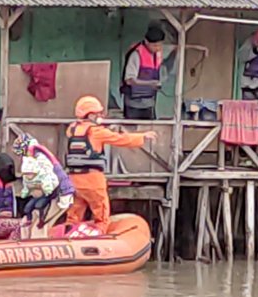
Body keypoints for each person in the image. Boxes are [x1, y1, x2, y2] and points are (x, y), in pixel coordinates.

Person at [64, 95, 157, 233]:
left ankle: (68, 233)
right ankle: (101, 235)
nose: (101, 115)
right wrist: (141, 136)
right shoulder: (96, 131)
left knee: (74, 212)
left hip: (74, 179)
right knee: (101, 211)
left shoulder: (72, 129)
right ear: (90, 114)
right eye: (98, 113)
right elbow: (119, 139)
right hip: (92, 179)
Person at [120, 25, 209, 120]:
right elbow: (129, 80)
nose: (158, 48)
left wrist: (202, 49)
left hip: (149, 103)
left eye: (160, 45)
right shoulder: (136, 55)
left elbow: (179, 47)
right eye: (155, 45)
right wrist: (151, 83)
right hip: (133, 104)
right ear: (146, 42)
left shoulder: (157, 52)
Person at [12, 133, 75, 209]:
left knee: (58, 208)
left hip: (61, 188)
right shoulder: (35, 154)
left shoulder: (40, 157)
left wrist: (45, 189)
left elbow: (49, 176)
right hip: (51, 187)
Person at [20, 156, 59, 223]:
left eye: (30, 174)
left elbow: (48, 184)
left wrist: (46, 189)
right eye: (26, 174)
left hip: (44, 195)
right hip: (35, 196)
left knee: (39, 205)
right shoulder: (25, 179)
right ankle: (29, 220)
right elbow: (26, 187)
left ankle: (41, 219)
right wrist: (24, 193)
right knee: (27, 208)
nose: (28, 176)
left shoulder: (43, 175)